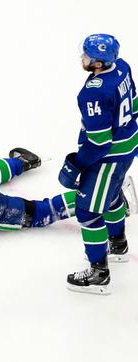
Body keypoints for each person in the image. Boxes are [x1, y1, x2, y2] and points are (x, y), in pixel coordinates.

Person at [59, 34, 137, 294]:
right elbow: (134, 103)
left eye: (87, 55)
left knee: (88, 211)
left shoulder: (94, 94)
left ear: (99, 64)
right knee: (111, 197)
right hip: (127, 148)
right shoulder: (122, 66)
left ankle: (98, 273)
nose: (82, 57)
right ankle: (117, 244)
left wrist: (76, 164)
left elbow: (100, 141)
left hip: (108, 159)